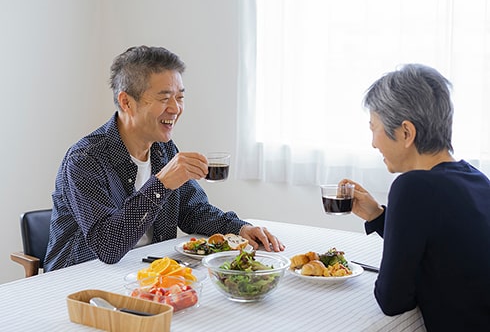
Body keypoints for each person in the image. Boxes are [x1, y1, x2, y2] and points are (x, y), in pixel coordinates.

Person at [44, 45, 285, 272]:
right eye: (164, 98)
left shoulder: (163, 149)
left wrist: (240, 228)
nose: (175, 108)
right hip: (77, 281)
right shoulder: (85, 159)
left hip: (143, 272)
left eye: (179, 97)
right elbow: (108, 247)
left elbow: (193, 211)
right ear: (126, 102)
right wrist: (161, 184)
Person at [341, 64, 490, 331]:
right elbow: (444, 250)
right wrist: (379, 217)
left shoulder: (412, 187)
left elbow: (392, 300)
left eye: (374, 128)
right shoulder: (477, 180)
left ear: (406, 133)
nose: (373, 142)